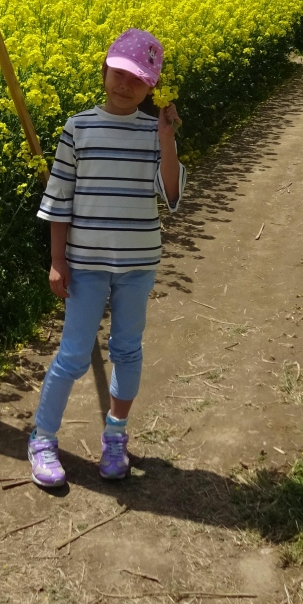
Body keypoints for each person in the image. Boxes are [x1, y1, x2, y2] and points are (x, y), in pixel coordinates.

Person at [28, 28, 185, 488]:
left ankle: (115, 435)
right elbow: (60, 199)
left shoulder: (153, 131)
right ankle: (42, 437)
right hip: (88, 265)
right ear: (104, 71)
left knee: (127, 350)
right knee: (74, 353)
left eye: (138, 79)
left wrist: (168, 138)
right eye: (119, 73)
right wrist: (58, 260)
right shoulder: (78, 127)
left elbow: (171, 194)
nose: (125, 85)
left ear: (152, 86)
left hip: (137, 265)